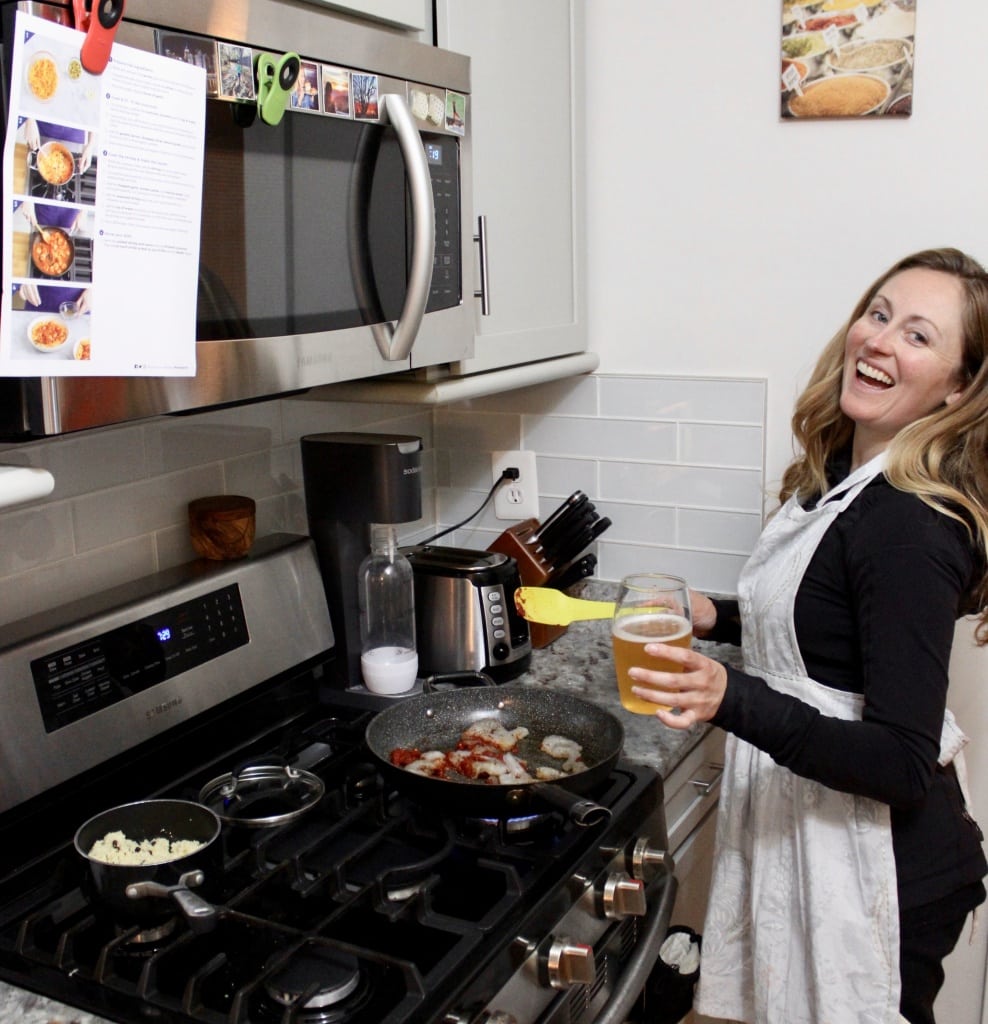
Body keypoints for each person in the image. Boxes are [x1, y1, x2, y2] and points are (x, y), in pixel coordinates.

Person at [627, 248, 988, 1024]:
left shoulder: (908, 524)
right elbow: (829, 625)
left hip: (880, 875)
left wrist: (731, 696)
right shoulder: (846, 477)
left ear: (960, 388)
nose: (881, 341)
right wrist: (717, 616)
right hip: (819, 840)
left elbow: (900, 761)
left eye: (920, 336)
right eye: (880, 313)